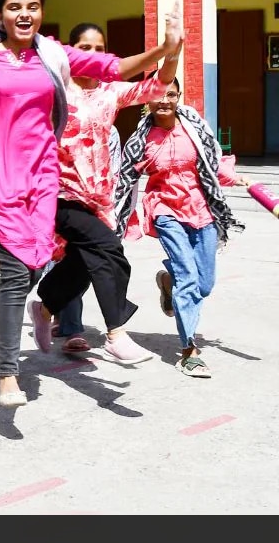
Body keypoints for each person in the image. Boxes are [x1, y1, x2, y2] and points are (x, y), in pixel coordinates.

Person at [0, 0, 182, 406]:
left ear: (42, 13)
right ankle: (9, 373)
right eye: (14, 7)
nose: (24, 14)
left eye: (32, 7)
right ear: (0, 14)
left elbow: (114, 69)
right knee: (16, 273)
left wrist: (165, 49)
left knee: (33, 269)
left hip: (43, 178)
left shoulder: (52, 55)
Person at [36, 22, 176, 361]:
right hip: (58, 190)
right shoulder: (54, 88)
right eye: (85, 47)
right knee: (108, 251)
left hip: (97, 194)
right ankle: (116, 333)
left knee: (89, 262)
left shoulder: (111, 91)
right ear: (71, 51)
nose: (93, 54)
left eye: (100, 48)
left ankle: (44, 308)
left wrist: (172, 50)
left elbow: (159, 85)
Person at [114, 78, 247, 378]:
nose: (164, 101)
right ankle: (189, 350)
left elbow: (214, 165)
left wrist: (237, 178)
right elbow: (125, 180)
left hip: (202, 210)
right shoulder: (140, 140)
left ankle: (167, 282)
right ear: (147, 100)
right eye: (158, 95)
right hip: (165, 211)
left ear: (179, 97)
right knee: (189, 278)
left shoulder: (195, 129)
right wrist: (116, 216)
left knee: (205, 284)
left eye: (171, 95)